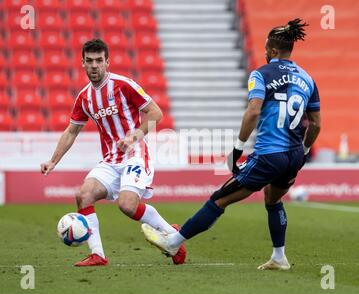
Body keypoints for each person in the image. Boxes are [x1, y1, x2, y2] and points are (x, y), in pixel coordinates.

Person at [142, 19, 321, 270]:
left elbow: (253, 111)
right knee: (272, 199)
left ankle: (173, 241)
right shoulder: (308, 79)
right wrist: (303, 151)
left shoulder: (261, 74)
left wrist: (238, 147)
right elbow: (315, 125)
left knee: (219, 199)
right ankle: (279, 257)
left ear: (271, 50)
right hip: (293, 156)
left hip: (269, 154)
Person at [41, 39, 186, 266]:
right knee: (83, 195)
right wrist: (53, 161)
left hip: (135, 153)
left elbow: (156, 113)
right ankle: (98, 255)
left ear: (107, 62)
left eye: (99, 60)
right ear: (83, 63)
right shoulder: (84, 97)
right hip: (110, 160)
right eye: (89, 61)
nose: (95, 66)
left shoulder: (123, 85)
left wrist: (133, 137)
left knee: (127, 205)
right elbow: (71, 131)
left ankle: (173, 237)